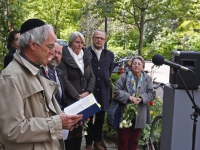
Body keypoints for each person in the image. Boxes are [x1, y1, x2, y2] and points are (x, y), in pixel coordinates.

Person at [0, 19, 83, 150]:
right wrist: (57, 123)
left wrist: (69, 120)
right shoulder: (11, 77)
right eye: (50, 46)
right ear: (33, 44)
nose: (52, 52)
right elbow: (12, 129)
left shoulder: (37, 70)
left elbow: (46, 115)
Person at [59, 31, 95, 150]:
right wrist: (77, 96)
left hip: (84, 97)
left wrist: (88, 92)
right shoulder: (64, 56)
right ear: (71, 43)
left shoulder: (85, 56)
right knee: (70, 128)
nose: (79, 45)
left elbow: (92, 76)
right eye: (77, 42)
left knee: (80, 127)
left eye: (81, 43)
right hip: (70, 98)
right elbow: (64, 78)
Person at [113, 56, 156, 150]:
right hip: (124, 112)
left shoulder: (147, 78)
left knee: (134, 140)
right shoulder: (125, 76)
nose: (136, 65)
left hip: (139, 112)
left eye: (139, 64)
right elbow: (116, 91)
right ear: (131, 65)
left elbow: (152, 94)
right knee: (123, 139)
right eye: (134, 63)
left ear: (142, 67)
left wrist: (141, 98)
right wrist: (129, 97)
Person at [84, 29, 114, 150]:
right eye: (97, 37)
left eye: (101, 38)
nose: (99, 40)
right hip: (89, 91)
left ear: (105, 40)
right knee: (88, 119)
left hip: (103, 92)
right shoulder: (86, 52)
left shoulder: (109, 55)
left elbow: (109, 71)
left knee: (100, 119)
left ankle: (97, 141)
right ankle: (88, 143)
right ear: (93, 38)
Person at [48, 43, 66, 110]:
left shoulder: (60, 73)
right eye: (54, 52)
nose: (56, 56)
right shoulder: (42, 72)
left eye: (59, 53)